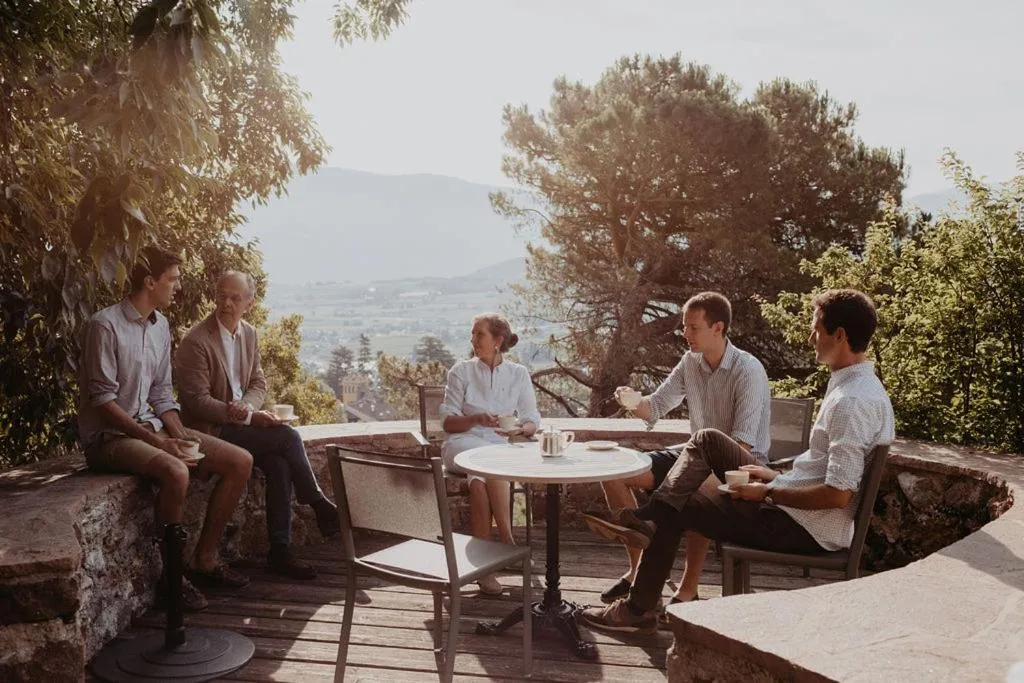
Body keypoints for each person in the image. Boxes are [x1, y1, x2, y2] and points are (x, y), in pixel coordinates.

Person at [580, 289, 894, 632]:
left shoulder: (852, 401)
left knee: (676, 503)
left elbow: (838, 495)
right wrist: (774, 477)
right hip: (791, 508)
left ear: (840, 335)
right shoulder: (855, 387)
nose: (810, 337)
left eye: (816, 329)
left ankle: (639, 603)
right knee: (705, 439)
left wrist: (769, 493)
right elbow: (821, 470)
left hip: (801, 526)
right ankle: (649, 539)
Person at [78, 246, 254, 612]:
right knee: (176, 470)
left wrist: (180, 435)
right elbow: (104, 402)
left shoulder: (161, 327)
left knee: (239, 461)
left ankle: (204, 559)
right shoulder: (105, 325)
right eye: (172, 279)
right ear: (150, 281)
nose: (177, 287)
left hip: (154, 429)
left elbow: (161, 394)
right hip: (110, 439)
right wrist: (160, 442)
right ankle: (171, 578)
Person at [585, 291, 771, 610]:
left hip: (741, 466)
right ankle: (638, 570)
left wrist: (704, 472)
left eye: (693, 327)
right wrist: (633, 402)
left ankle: (688, 588)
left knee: (694, 490)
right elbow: (656, 406)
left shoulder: (747, 371)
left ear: (718, 328)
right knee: (614, 470)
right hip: (693, 453)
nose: (686, 334)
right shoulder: (690, 362)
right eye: (684, 326)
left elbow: (742, 446)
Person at [174, 271, 340, 581]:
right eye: (222, 295)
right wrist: (247, 416)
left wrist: (247, 405)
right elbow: (196, 402)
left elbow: (258, 381)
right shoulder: (196, 341)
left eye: (235, 298)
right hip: (213, 431)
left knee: (278, 464)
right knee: (288, 437)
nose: (226, 303)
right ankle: (316, 502)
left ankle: (280, 551)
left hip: (241, 424)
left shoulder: (249, 333)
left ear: (249, 303)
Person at [439, 313, 541, 595]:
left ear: (498, 341)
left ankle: (484, 569)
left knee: (480, 479)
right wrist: (475, 420)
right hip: (461, 443)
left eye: (478, 334)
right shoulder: (460, 371)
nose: (473, 340)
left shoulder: (518, 374)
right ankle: (508, 543)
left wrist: (524, 427)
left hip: (497, 449)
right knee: (490, 461)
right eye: (472, 334)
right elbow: (447, 423)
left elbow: (532, 417)